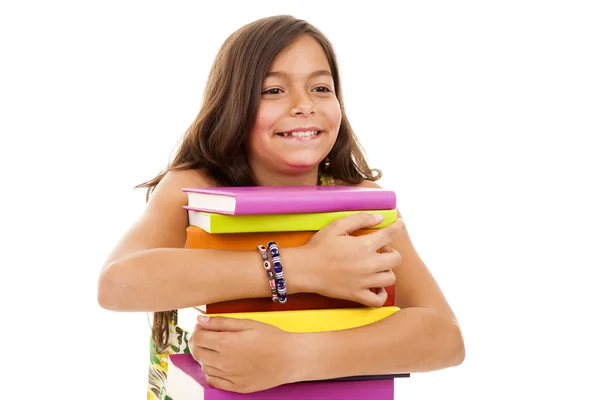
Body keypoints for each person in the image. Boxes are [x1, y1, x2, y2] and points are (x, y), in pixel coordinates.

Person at [97, 14, 465, 399]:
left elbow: (446, 338)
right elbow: (117, 285)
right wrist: (302, 266)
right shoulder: (194, 190)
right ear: (234, 104)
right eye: (273, 91)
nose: (304, 105)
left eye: (322, 87)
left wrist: (296, 356)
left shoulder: (361, 202)